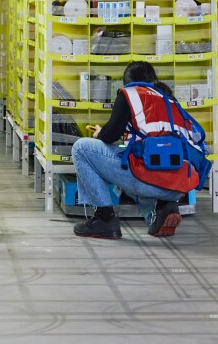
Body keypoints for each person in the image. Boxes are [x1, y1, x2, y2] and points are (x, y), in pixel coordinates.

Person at [70, 61, 187, 240]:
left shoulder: (130, 95)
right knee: (137, 159)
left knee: (81, 148)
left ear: (127, 81)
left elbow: (110, 136)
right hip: (178, 184)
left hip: (147, 179)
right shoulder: (168, 97)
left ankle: (104, 219)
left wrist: (101, 133)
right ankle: (162, 210)